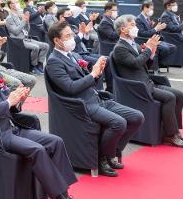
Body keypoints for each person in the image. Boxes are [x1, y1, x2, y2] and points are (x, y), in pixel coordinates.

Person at [0, 37, 87, 199]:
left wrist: (18, 99)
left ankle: (64, 197)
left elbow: (10, 107)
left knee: (56, 142)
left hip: (12, 127)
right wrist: (8, 102)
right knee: (38, 150)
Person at [46, 21, 144, 177]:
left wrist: (97, 72)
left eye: (72, 34)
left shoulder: (74, 55)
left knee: (137, 117)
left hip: (95, 97)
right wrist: (93, 74)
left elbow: (90, 80)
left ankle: (113, 151)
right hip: (81, 104)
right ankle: (102, 158)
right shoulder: (53, 62)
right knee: (119, 123)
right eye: (68, 36)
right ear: (57, 40)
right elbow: (70, 88)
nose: (72, 38)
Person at [112, 15, 183, 148]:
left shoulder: (135, 45)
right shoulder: (120, 48)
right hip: (137, 87)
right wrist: (148, 49)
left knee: (179, 94)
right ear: (123, 29)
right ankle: (171, 135)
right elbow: (136, 63)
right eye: (132, 25)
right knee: (170, 98)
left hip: (146, 82)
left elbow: (146, 65)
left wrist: (152, 52)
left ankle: (175, 131)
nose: (135, 27)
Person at [6, 0, 49, 75]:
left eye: (17, 2)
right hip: (18, 41)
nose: (17, 4)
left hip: (26, 38)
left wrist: (27, 22)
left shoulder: (19, 15)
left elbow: (27, 30)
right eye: (15, 2)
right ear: (10, 5)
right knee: (35, 47)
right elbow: (15, 32)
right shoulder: (9, 18)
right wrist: (23, 20)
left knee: (45, 46)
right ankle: (33, 66)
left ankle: (39, 64)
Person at [135, 1, 176, 67]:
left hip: (153, 39)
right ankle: (158, 63)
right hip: (145, 41)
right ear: (145, 8)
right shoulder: (139, 19)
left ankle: (159, 62)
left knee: (173, 47)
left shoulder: (147, 18)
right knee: (165, 48)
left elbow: (152, 31)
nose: (152, 11)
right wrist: (156, 29)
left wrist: (159, 28)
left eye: (152, 9)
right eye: (151, 9)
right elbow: (142, 33)